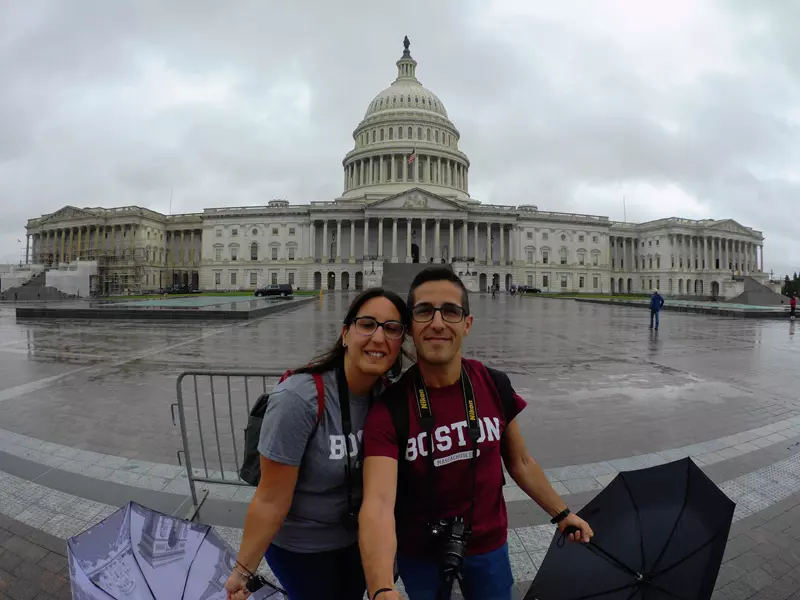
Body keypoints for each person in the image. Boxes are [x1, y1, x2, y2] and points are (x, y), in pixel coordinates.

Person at [359, 267, 592, 600]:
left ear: (466, 324)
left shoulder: (493, 384)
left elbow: (521, 461)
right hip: (420, 549)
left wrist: (562, 513)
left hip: (488, 545)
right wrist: (381, 587)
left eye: (451, 311)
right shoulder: (389, 409)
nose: (438, 323)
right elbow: (379, 504)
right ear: (410, 327)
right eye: (424, 311)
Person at [225, 288, 410, 600]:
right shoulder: (299, 399)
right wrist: (242, 571)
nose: (379, 338)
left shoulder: (389, 397)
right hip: (303, 548)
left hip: (356, 541)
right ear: (345, 334)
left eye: (392, 329)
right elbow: (271, 499)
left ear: (400, 343)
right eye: (367, 324)